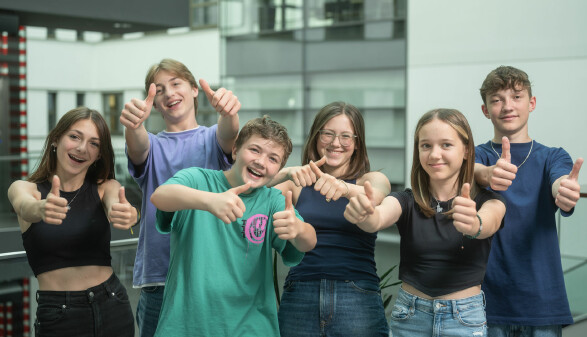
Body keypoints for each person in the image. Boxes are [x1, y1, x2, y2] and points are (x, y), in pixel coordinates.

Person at [344, 109, 507, 337]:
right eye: (426, 145)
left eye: (446, 145)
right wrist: (364, 215)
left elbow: (489, 221)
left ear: (467, 150)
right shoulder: (406, 201)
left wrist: (474, 224)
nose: (434, 154)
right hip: (410, 316)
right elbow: (378, 217)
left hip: (464, 319)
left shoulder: (488, 201)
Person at [149, 116, 316, 336]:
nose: (261, 162)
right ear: (235, 150)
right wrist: (211, 201)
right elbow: (160, 196)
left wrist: (298, 229)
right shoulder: (198, 180)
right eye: (255, 150)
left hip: (252, 328)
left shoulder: (273, 200)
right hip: (186, 326)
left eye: (273, 159)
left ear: (278, 170)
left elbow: (309, 241)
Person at [119, 58, 240, 337]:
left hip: (211, 278)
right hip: (159, 281)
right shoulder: (152, 145)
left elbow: (229, 133)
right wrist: (133, 125)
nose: (169, 93)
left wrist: (229, 112)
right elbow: (136, 144)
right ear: (155, 103)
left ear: (195, 89)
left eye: (176, 84)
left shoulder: (213, 138)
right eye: (159, 90)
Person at [7, 107, 137, 337]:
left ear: (99, 155)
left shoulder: (105, 187)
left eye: (94, 144)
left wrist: (128, 213)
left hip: (112, 304)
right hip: (59, 315)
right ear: (56, 139)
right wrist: (41, 208)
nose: (82, 148)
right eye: (75, 137)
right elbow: (24, 206)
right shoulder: (25, 189)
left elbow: (118, 203)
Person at [474, 66, 583, 336]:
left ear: (531, 103)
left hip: (543, 303)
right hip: (486, 303)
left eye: (517, 97)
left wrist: (564, 191)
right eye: (497, 99)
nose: (507, 106)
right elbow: (468, 171)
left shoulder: (553, 157)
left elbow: (560, 182)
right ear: (485, 110)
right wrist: (487, 174)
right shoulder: (474, 156)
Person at [270, 102, 391, 336]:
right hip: (301, 293)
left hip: (357, 294)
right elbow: (251, 193)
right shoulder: (297, 184)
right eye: (328, 134)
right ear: (316, 137)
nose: (336, 143)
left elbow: (373, 195)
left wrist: (342, 188)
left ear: (357, 144)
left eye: (346, 136)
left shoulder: (372, 178)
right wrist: (285, 172)